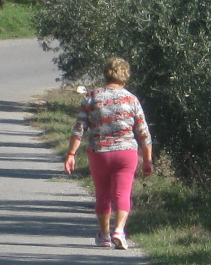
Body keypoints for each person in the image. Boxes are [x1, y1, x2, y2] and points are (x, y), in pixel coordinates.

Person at [64, 57, 153, 250]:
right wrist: (147, 160)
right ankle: (119, 231)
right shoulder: (131, 99)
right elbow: (143, 132)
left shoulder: (92, 97)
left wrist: (71, 154)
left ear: (106, 73)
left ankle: (104, 235)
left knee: (102, 194)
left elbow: (79, 128)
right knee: (123, 193)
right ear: (125, 75)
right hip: (126, 152)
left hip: (99, 152)